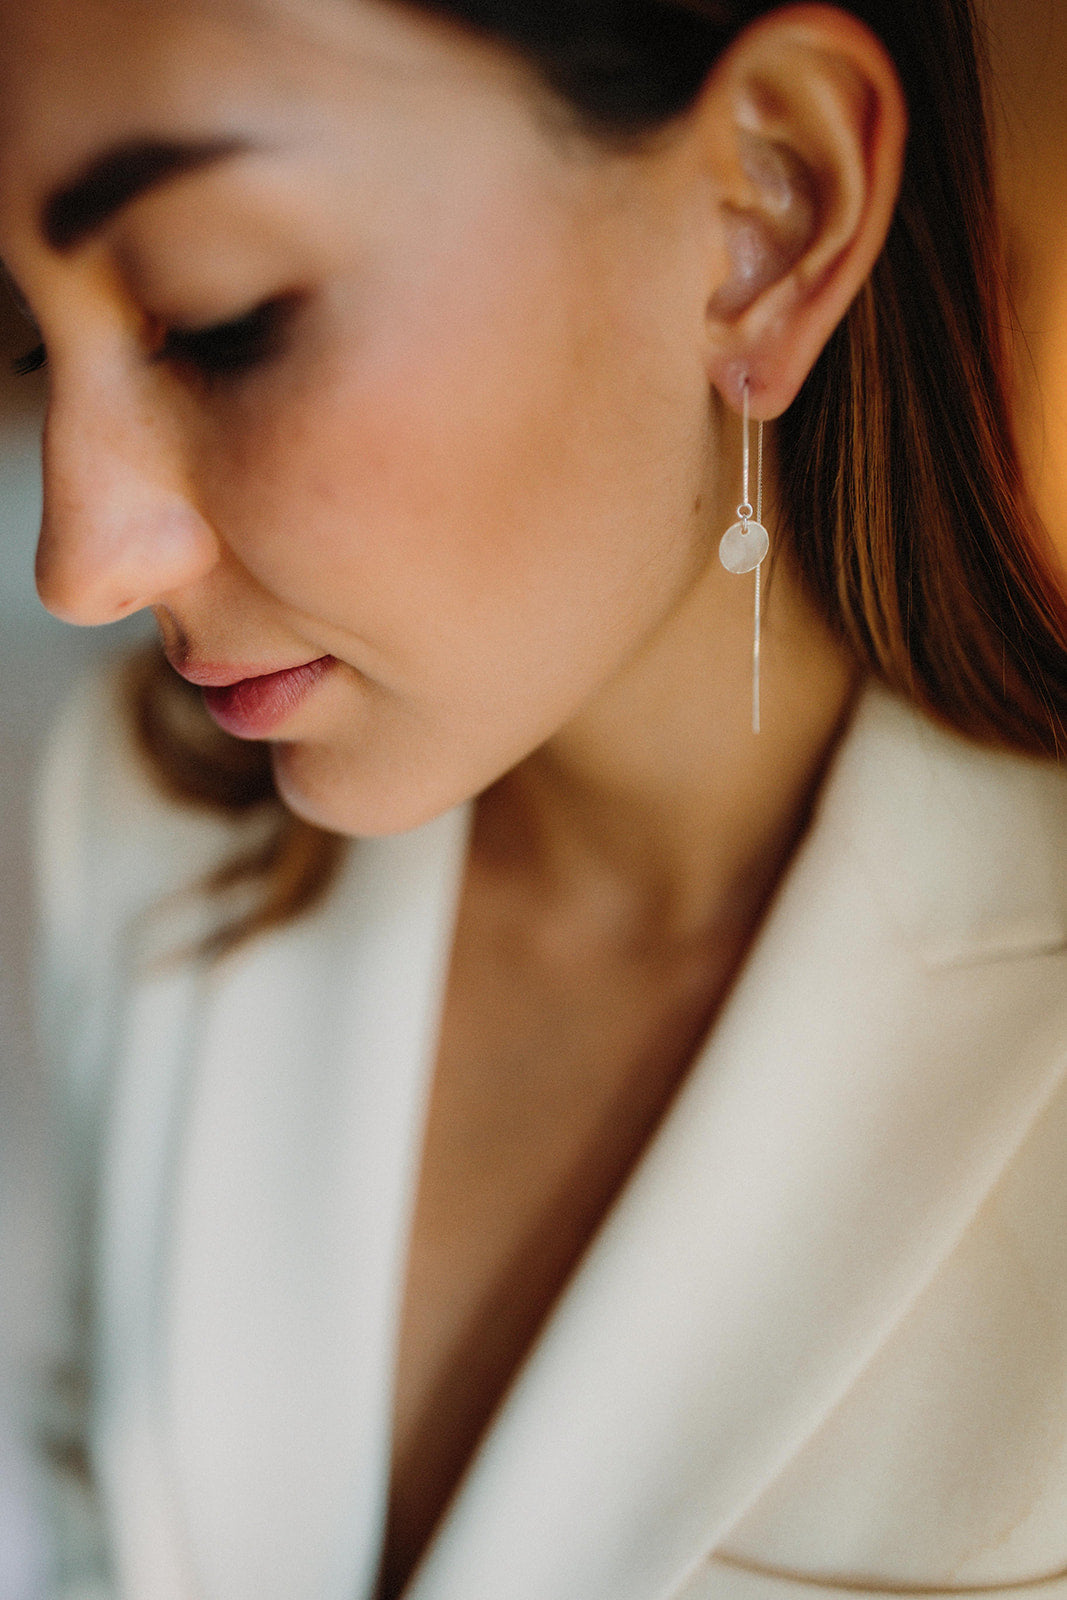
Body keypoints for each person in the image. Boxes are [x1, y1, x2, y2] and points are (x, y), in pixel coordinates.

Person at [4, 0, 1067, 1596]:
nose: (79, 566)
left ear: (766, 214)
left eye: (220, 320)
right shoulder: (131, 822)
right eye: (28, 340)